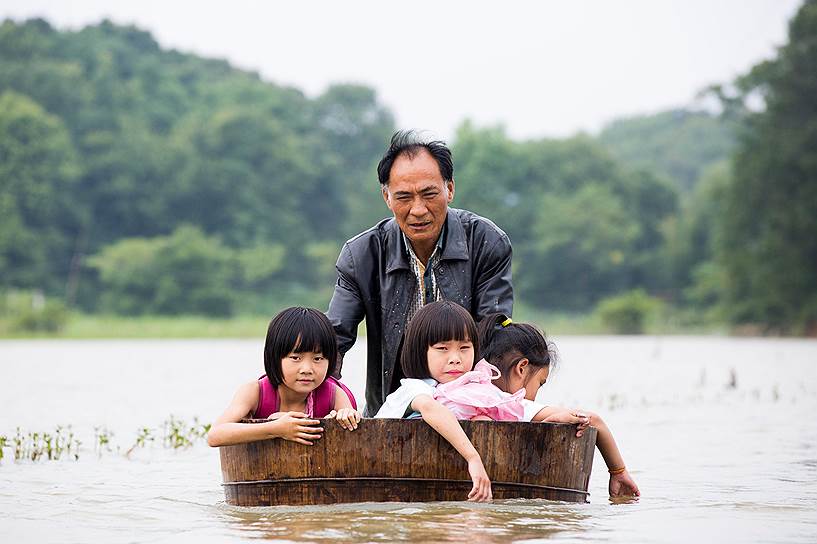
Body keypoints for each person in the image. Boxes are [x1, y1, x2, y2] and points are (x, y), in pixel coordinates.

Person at [328, 130, 513, 416]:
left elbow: (495, 334)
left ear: (450, 189)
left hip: (470, 410)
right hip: (392, 411)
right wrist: (315, 398)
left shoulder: (486, 242)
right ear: (386, 197)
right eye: (404, 197)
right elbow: (333, 340)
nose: (418, 210)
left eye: (429, 194)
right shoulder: (362, 255)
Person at [477, 313, 641, 497]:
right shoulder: (510, 405)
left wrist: (545, 422)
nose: (536, 393)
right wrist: (618, 472)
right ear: (521, 368)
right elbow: (594, 421)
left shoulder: (461, 391)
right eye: (540, 383)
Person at [374, 301, 495, 501]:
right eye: (442, 348)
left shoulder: (470, 390)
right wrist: (473, 457)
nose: (455, 358)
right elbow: (430, 408)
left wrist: (550, 414)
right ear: (421, 352)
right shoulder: (413, 388)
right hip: (396, 475)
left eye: (464, 347)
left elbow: (509, 405)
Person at [207, 307, 361, 447]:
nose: (307, 369)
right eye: (295, 358)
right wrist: (276, 428)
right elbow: (215, 435)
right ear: (274, 358)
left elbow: (354, 438)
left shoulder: (334, 394)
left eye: (318, 358)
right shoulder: (255, 391)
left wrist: (343, 417)